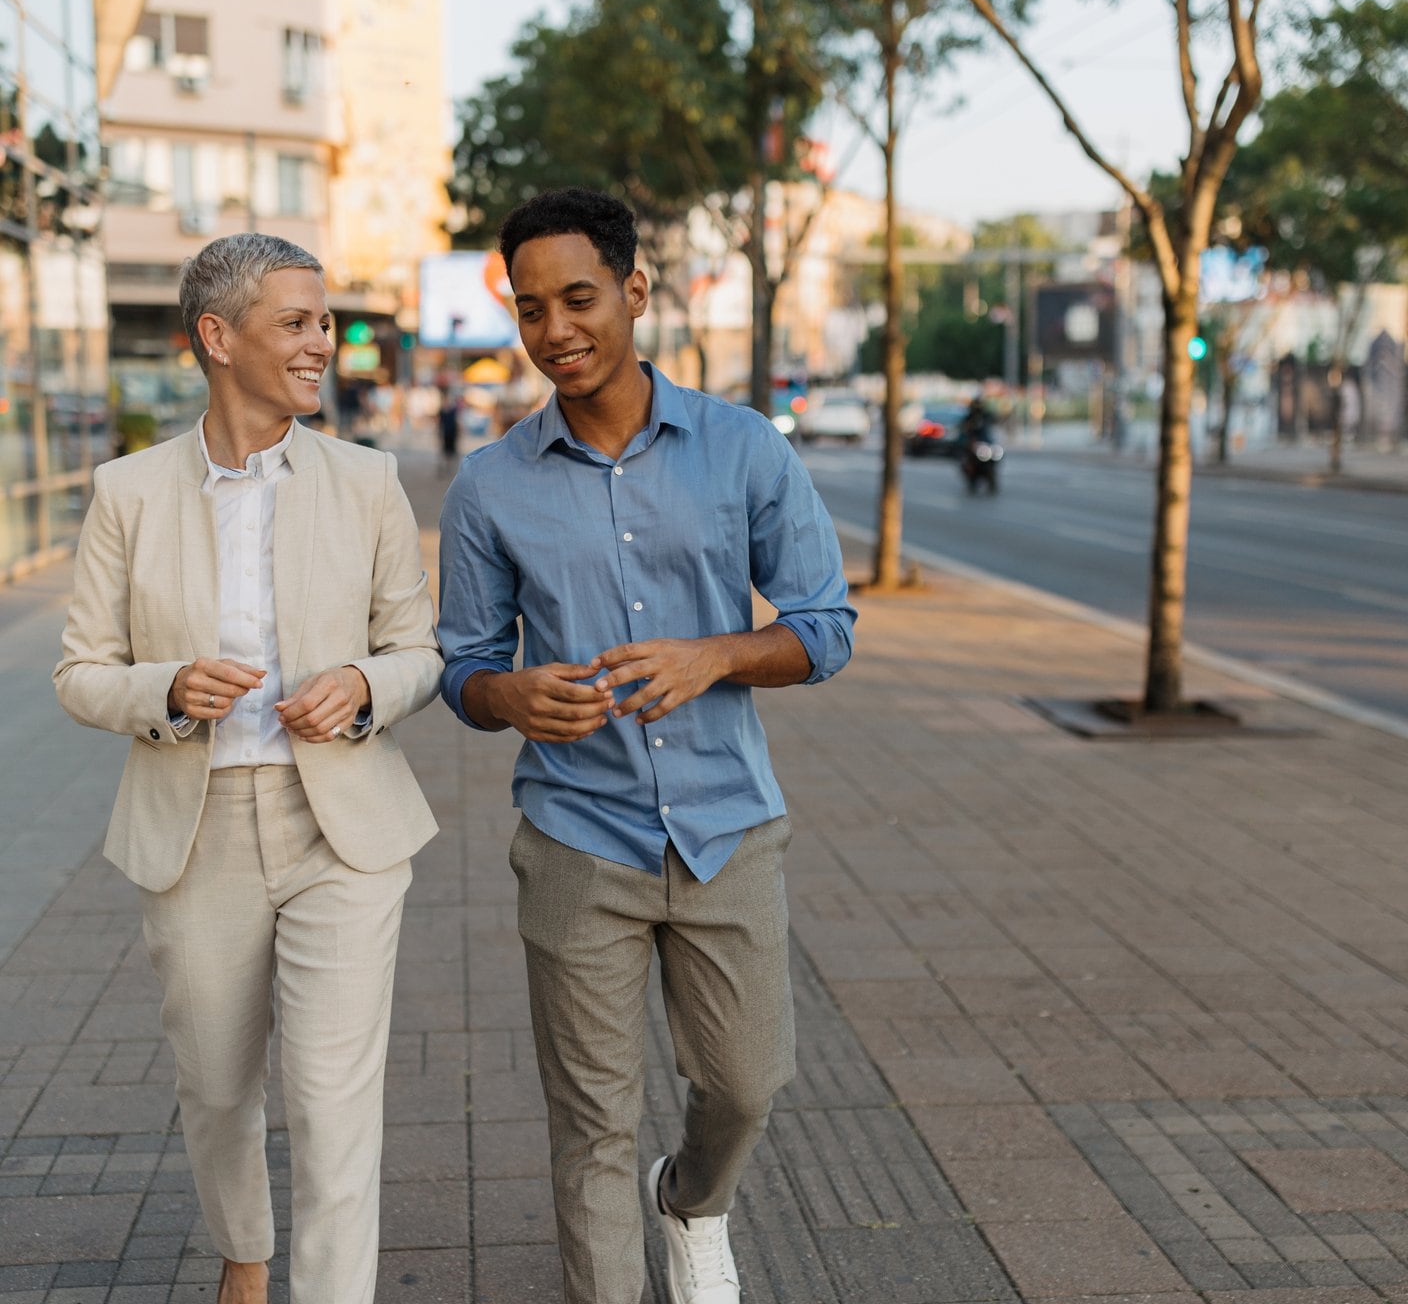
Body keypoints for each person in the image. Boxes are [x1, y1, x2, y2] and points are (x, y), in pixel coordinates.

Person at [437, 187, 855, 1304]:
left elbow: (824, 629)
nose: (555, 330)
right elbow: (462, 668)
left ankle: (694, 1200)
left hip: (728, 829)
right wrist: (508, 694)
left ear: (633, 290)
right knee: (591, 1124)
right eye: (530, 310)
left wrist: (713, 657)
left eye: (577, 298)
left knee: (750, 1081)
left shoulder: (743, 448)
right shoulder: (489, 487)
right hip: (577, 835)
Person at [54, 233, 443, 1304]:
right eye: (297, 322)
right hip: (197, 827)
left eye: (325, 321)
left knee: (331, 1095)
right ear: (217, 338)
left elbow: (420, 649)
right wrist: (169, 688)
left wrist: (365, 686)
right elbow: (82, 674)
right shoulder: (126, 491)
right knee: (218, 1086)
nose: (323, 341)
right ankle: (244, 1250)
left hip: (344, 831)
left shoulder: (367, 480)